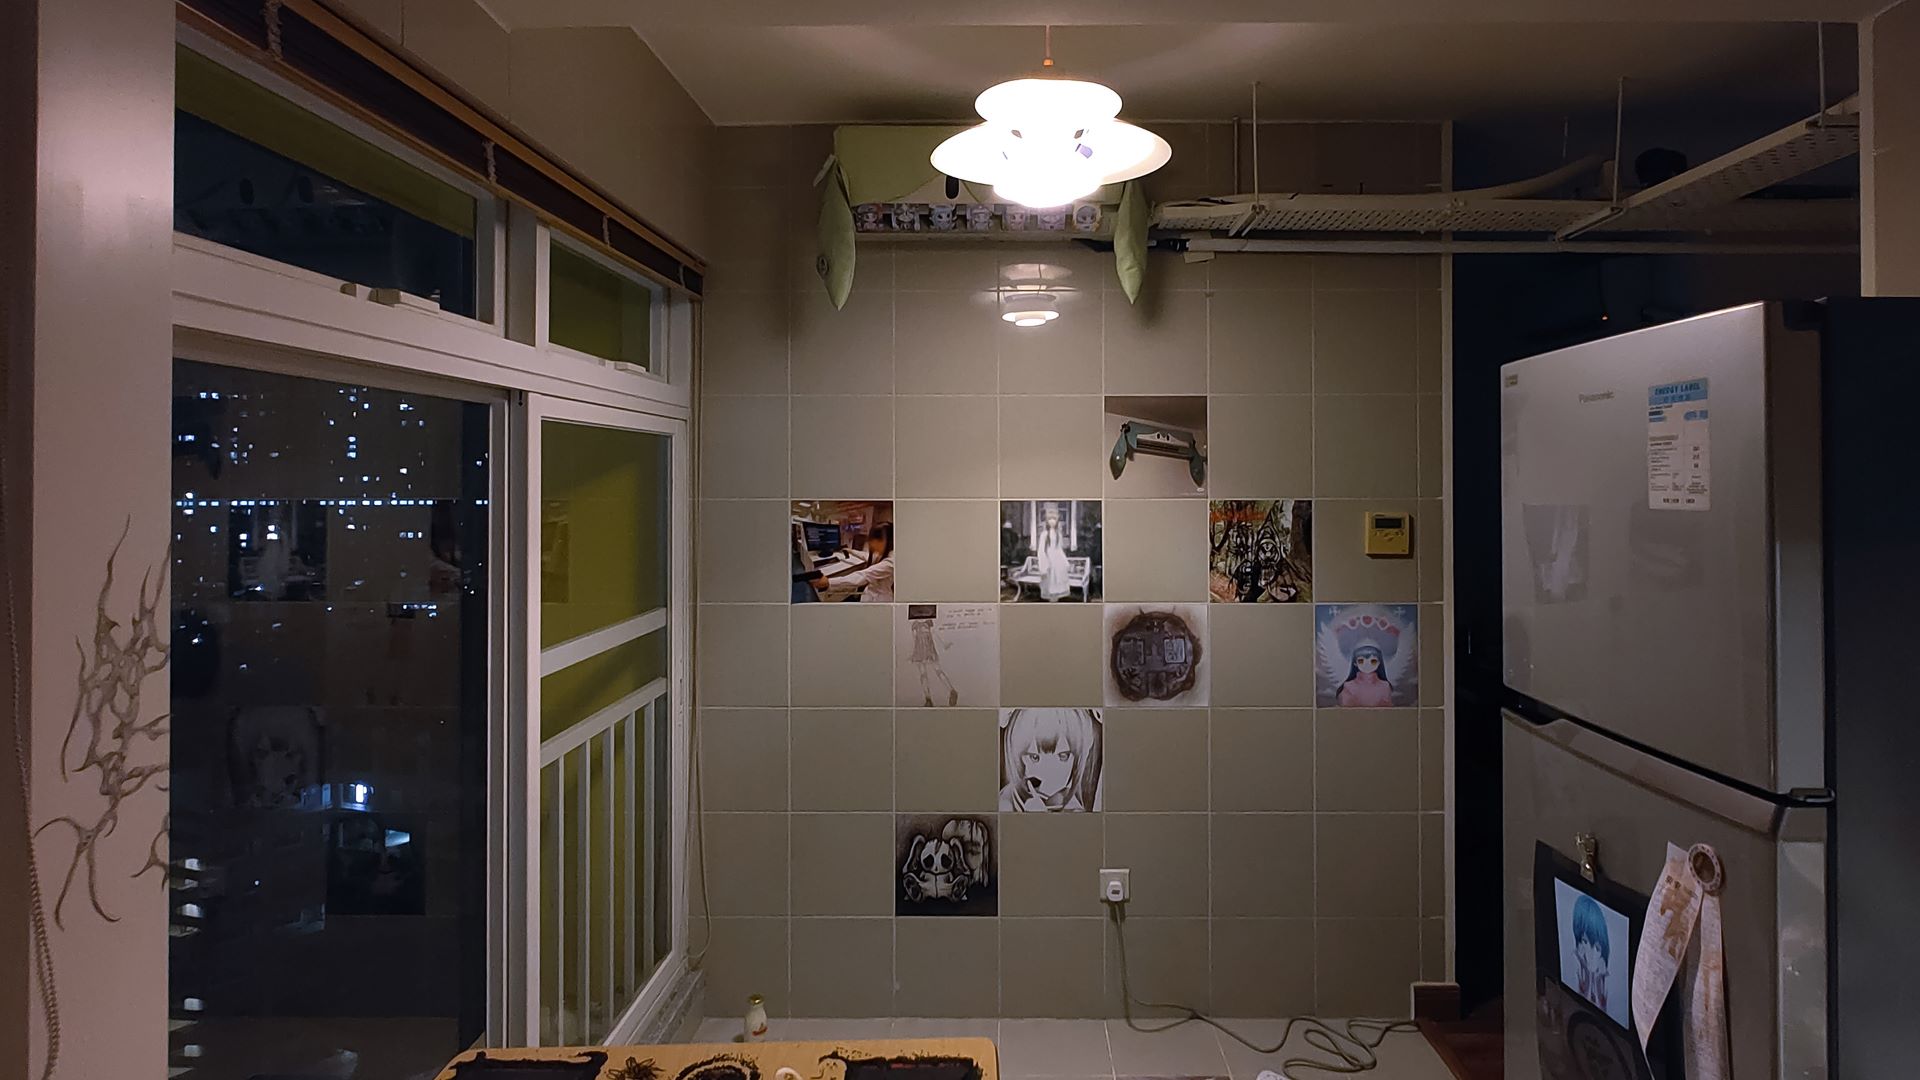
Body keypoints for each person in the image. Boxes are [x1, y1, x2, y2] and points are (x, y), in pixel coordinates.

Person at [998, 708, 1102, 812]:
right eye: (1034, 757)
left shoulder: (1073, 807)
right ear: (1019, 758)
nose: (1047, 773)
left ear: (1077, 760)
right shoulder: (1006, 802)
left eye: (1063, 756)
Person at [813, 522, 893, 602]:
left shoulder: (890, 562)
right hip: (869, 595)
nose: (871, 543)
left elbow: (863, 576)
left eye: (877, 539)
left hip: (879, 601)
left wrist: (829, 582)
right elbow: (865, 556)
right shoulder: (882, 554)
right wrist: (850, 551)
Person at [908, 610, 957, 706]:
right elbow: (914, 639)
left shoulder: (928, 622)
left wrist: (944, 644)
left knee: (938, 671)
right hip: (920, 651)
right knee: (923, 674)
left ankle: (952, 691)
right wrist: (913, 653)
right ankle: (928, 699)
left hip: (929, 650)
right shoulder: (915, 624)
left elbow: (934, 633)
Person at [1572, 894, 1612, 1011]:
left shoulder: (1605, 976)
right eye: (1584, 941)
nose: (1591, 953)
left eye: (1597, 948)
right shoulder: (1579, 966)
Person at [1035, 504, 1071, 601]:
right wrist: (1044, 563)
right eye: (1050, 519)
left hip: (1057, 560)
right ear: (1047, 521)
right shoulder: (1044, 534)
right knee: (1050, 581)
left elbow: (1059, 549)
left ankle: (1056, 599)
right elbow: (1041, 550)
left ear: (1057, 521)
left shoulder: (1058, 534)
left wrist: (1064, 561)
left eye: (1054, 519)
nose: (1052, 521)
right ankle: (1051, 600)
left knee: (1057, 580)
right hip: (1048, 559)